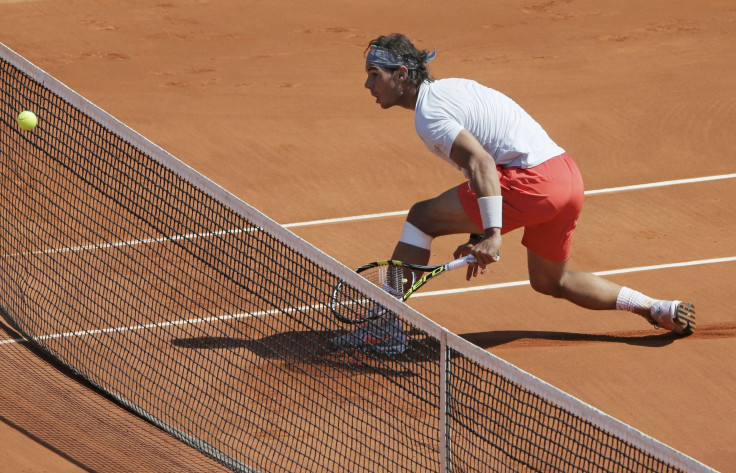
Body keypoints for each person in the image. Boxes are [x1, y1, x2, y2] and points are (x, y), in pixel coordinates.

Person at [331, 33, 695, 355]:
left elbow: (484, 165)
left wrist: (491, 236)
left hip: (531, 182)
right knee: (551, 281)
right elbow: (486, 166)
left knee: (421, 218)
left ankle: (385, 327)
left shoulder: (430, 116)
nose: (368, 84)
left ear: (402, 74)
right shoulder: (451, 89)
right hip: (566, 177)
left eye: (374, 74)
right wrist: (479, 233)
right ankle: (655, 307)